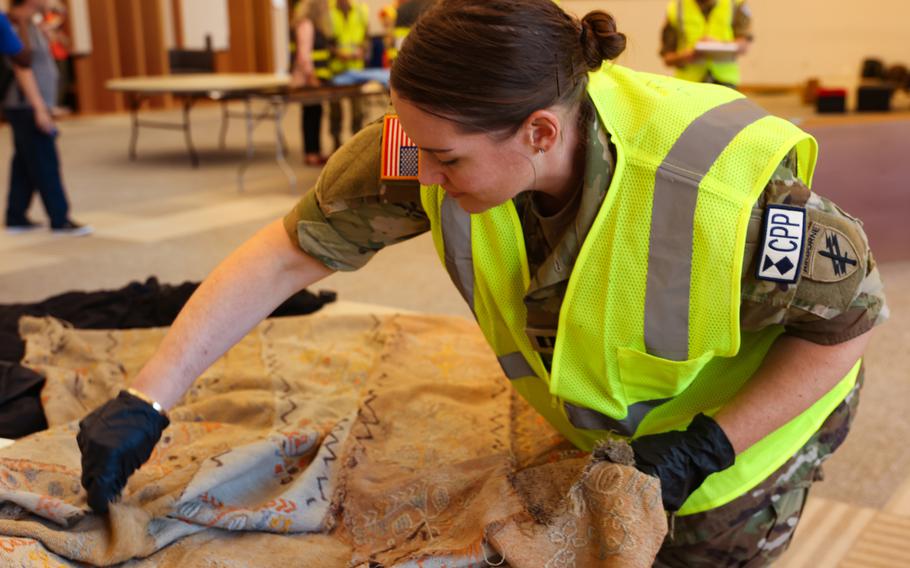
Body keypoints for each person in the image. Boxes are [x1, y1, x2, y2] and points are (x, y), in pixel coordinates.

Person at [76, 1, 887, 565]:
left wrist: (704, 450)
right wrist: (146, 399)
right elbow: (291, 253)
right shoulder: (433, 141)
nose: (421, 174)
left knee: (695, 549)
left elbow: (847, 327)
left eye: (445, 159)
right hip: (613, 416)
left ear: (539, 130)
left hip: (741, 431)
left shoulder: (725, 199)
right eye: (414, 145)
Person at [4, 0, 90, 235]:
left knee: (24, 161)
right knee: (45, 159)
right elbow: (22, 67)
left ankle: (16, 215)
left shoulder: (33, 24)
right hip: (26, 104)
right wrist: (39, 108)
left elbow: (58, 32)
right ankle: (60, 218)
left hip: (34, 104)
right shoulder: (12, 24)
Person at [661, 0, 752, 88]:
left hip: (726, 83)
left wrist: (718, 46)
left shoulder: (735, 3)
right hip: (688, 85)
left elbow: (744, 44)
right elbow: (667, 57)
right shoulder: (676, 7)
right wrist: (685, 56)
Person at [290, 0, 332, 167]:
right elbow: (304, 55)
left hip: (313, 79)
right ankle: (311, 152)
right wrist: (311, 77)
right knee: (311, 114)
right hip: (309, 80)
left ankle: (314, 151)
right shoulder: (306, 24)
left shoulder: (309, 24)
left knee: (314, 112)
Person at [327, 0, 368, 150]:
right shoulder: (329, 12)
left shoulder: (361, 10)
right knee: (335, 109)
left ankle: (356, 144)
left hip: (356, 70)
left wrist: (362, 50)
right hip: (336, 70)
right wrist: (337, 53)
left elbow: (367, 37)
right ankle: (336, 142)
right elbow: (325, 41)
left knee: (357, 110)